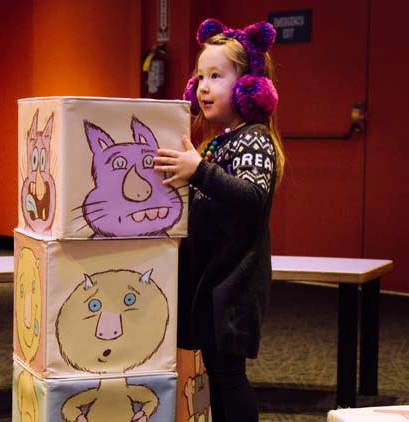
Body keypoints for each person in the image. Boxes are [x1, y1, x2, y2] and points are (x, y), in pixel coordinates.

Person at [154, 18, 286, 421]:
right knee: (216, 371)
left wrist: (199, 171)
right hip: (213, 283)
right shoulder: (216, 142)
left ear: (249, 87)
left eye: (216, 76)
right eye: (200, 77)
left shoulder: (255, 139)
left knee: (229, 375)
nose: (204, 87)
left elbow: (251, 195)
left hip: (235, 286)